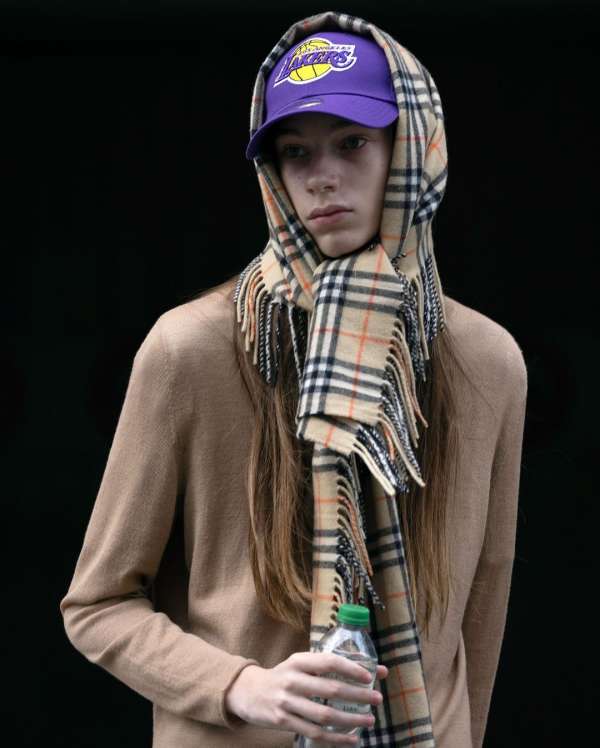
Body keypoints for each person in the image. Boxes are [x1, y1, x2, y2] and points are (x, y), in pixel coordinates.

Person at [59, 11, 528, 748]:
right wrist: (240, 686)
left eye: (352, 142)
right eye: (294, 152)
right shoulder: (191, 349)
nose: (321, 176)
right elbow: (97, 605)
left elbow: (483, 604)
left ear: (413, 147)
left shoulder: (487, 363)